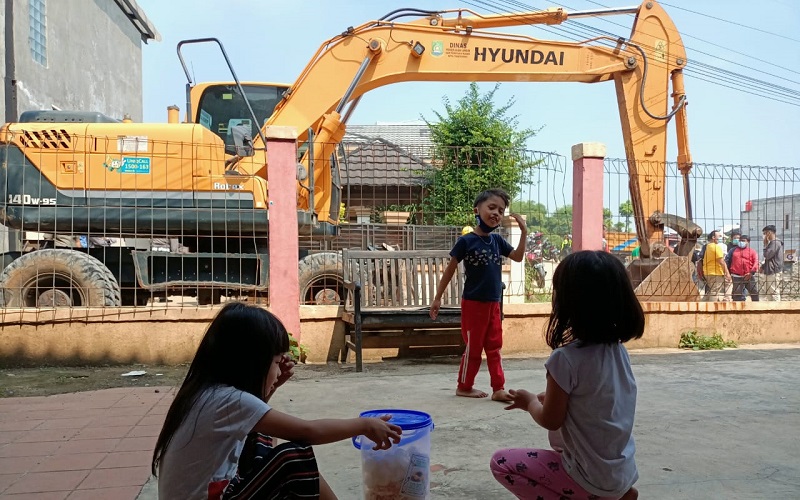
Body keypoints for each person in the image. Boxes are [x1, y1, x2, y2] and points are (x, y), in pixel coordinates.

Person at [152, 302, 402, 500]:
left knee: (261, 439)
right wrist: (365, 425)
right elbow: (308, 432)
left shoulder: (207, 392)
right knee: (294, 458)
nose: (279, 368)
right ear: (252, 363)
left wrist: (273, 384)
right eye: (275, 361)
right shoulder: (227, 400)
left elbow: (253, 421)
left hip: (214, 490)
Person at [490, 251, 642, 500]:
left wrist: (530, 403)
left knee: (502, 462)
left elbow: (550, 420)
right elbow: (598, 399)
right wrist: (550, 397)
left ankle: (587, 495)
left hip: (588, 476)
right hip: (621, 471)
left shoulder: (565, 359)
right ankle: (618, 494)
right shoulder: (618, 351)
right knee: (560, 441)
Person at [429, 188, 526, 402]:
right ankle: (464, 386)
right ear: (477, 209)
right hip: (473, 304)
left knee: (494, 346)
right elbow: (450, 269)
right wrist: (437, 298)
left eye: (500, 211)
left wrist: (524, 232)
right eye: (491, 207)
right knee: (474, 348)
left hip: (494, 303)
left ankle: (499, 388)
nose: (496, 214)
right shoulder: (466, 241)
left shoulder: (497, 241)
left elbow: (518, 257)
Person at [702, 230, 732, 302]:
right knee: (714, 292)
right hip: (716, 272)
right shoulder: (716, 247)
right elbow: (721, 261)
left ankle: (702, 305)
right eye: (719, 236)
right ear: (713, 237)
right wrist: (727, 273)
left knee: (712, 290)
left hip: (709, 271)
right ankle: (712, 309)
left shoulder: (708, 246)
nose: (721, 238)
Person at [728, 235, 759, 302]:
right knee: (737, 295)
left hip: (749, 275)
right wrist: (728, 273)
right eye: (740, 240)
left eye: (743, 241)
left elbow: (756, 262)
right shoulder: (733, 250)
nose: (741, 242)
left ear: (748, 242)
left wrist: (751, 273)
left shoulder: (752, 251)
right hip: (736, 276)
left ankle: (756, 308)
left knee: (754, 293)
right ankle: (738, 310)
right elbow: (727, 261)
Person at [761, 224, 784, 301]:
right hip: (770, 270)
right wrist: (763, 266)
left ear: (769, 233)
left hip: (773, 271)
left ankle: (777, 310)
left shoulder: (775, 243)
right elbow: (770, 259)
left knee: (774, 292)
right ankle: (772, 309)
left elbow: (767, 255)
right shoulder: (773, 243)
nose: (764, 236)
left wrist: (765, 244)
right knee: (769, 292)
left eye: (765, 233)